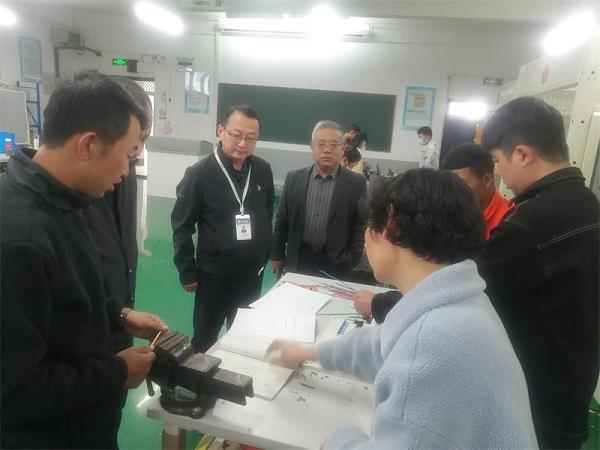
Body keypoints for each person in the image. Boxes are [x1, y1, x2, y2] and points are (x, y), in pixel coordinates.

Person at [267, 169, 538, 449]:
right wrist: (307, 353)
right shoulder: (459, 302)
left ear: (391, 225)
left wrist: (337, 441)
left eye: (369, 227)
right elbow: (381, 344)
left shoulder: (433, 339)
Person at [1, 70, 166, 449]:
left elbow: (67, 296)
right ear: (89, 145)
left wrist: (119, 315)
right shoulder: (19, 241)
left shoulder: (64, 202)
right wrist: (117, 371)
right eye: (127, 156)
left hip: (86, 426)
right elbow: (11, 393)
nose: (126, 171)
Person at [478, 96, 599, 449]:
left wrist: (381, 304)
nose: (498, 172)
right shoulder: (585, 201)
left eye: (497, 160)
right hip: (571, 386)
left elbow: (465, 292)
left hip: (535, 404)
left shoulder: (530, 223)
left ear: (523, 154)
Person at [355, 143, 511, 319]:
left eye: (462, 184)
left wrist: (381, 303)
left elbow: (447, 290)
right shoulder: (452, 214)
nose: (454, 194)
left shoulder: (507, 228)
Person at [171, 105, 274, 353]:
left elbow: (267, 211)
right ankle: (198, 377)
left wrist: (264, 252)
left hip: (251, 275)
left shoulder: (262, 170)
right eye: (236, 135)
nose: (243, 143)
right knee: (205, 339)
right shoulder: (199, 174)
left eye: (251, 138)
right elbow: (182, 226)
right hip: (214, 277)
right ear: (221, 130)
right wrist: (187, 271)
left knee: (243, 336)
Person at [83, 77, 153, 354]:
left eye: (144, 140)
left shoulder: (126, 168)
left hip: (117, 320)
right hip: (85, 341)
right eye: (134, 142)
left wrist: (122, 315)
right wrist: (115, 372)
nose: (138, 152)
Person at [270, 120, 367, 279]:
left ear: (343, 148)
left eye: (334, 145)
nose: (327, 150)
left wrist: (351, 259)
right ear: (312, 147)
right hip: (299, 259)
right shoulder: (294, 178)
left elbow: (360, 225)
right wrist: (277, 254)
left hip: (336, 262)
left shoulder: (357, 183)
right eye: (321, 144)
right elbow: (282, 220)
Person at [441, 143, 511, 239]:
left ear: (487, 180)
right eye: (450, 185)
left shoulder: (509, 222)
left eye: (460, 183)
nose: (453, 191)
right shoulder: (451, 214)